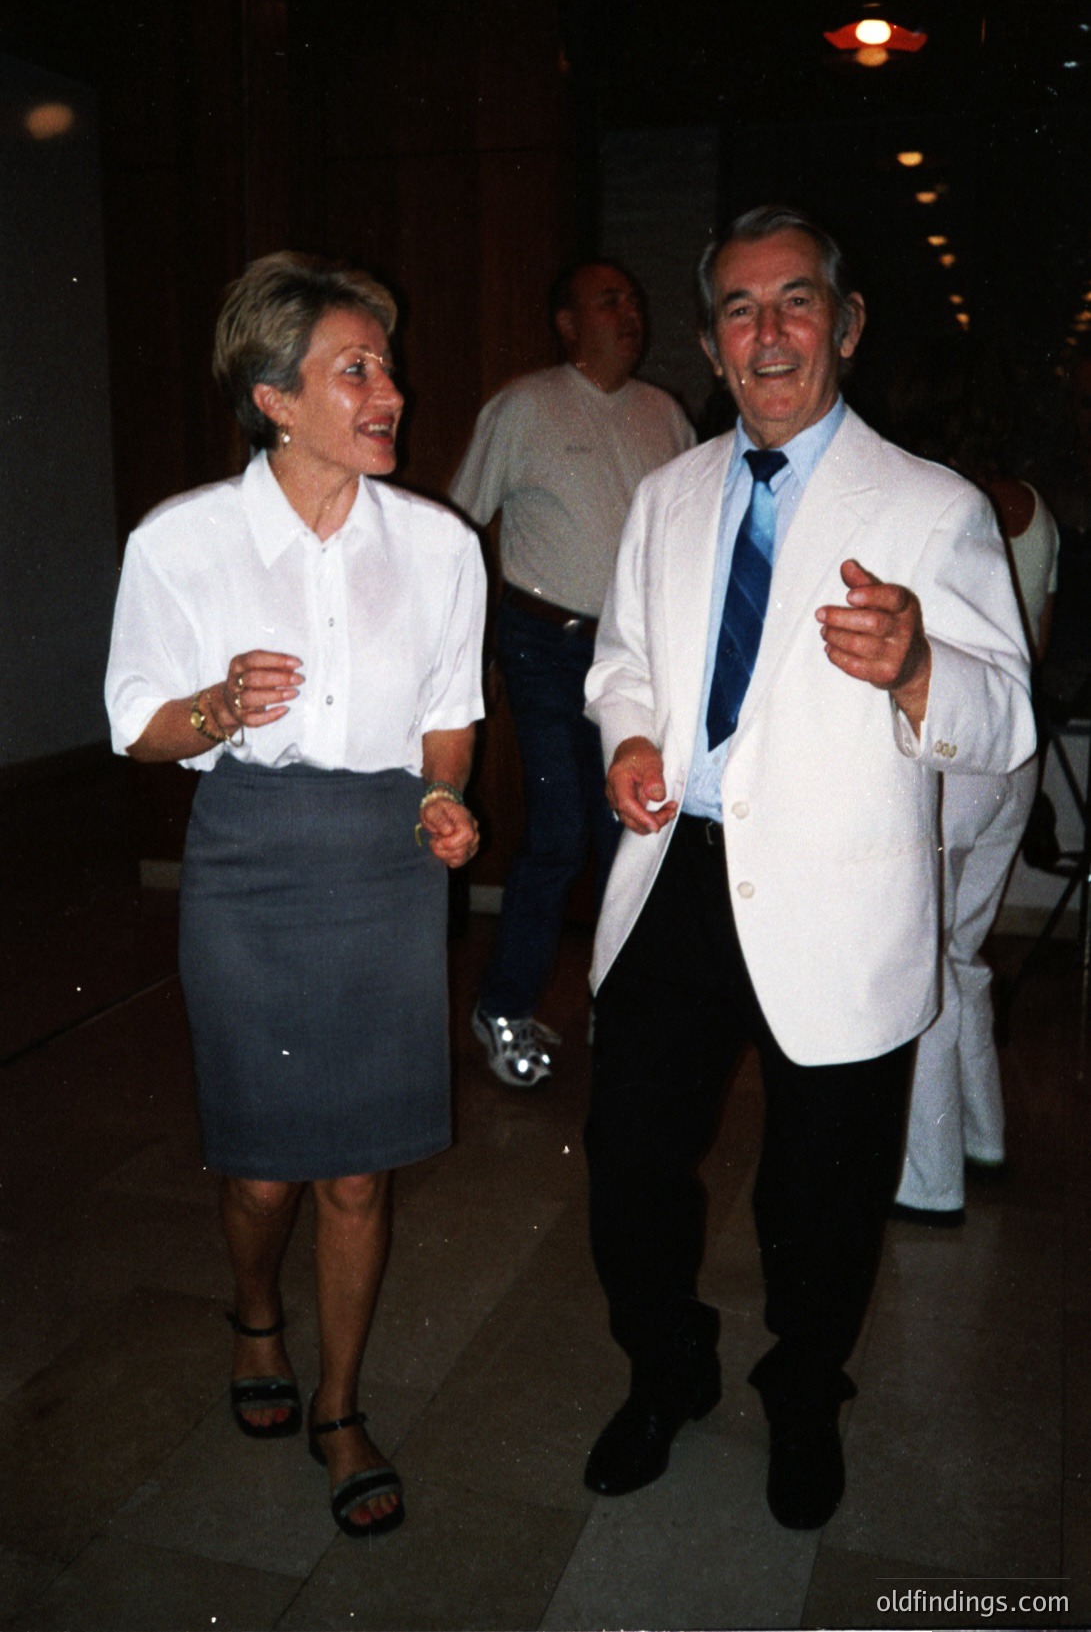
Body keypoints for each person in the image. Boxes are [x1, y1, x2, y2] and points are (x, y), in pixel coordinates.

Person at [581, 207, 1035, 1530]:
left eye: (793, 302)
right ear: (712, 344)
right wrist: (624, 738)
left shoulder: (929, 506)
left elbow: (1000, 720)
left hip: (837, 896)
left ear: (841, 325)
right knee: (627, 1168)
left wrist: (914, 668)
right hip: (675, 873)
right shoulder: (664, 495)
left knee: (820, 1197)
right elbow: (623, 659)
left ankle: (800, 1397)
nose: (766, 329)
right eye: (737, 307)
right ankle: (665, 1375)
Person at [105, 252, 486, 1539]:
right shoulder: (181, 540)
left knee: (360, 1176)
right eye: (355, 369)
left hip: (380, 862)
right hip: (250, 857)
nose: (392, 391)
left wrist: (442, 797)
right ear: (273, 397)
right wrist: (217, 702)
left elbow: (449, 714)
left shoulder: (437, 544)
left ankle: (337, 1402)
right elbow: (139, 726)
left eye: (384, 365)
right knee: (266, 1172)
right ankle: (254, 1312)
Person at [449, 261, 694, 1086]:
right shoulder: (523, 406)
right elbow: (455, 529)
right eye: (607, 300)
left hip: (641, 656)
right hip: (544, 645)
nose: (630, 311)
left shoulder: (664, 413)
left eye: (633, 297)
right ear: (564, 322)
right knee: (559, 832)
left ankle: (617, 1002)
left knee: (637, 832)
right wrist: (463, 654)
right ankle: (504, 1006)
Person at [886, 336, 1060, 1223]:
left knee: (924, 963)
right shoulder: (1036, 511)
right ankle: (982, 1137)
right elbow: (1030, 646)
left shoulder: (932, 506)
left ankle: (927, 1177)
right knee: (963, 958)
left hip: (956, 758)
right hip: (1015, 754)